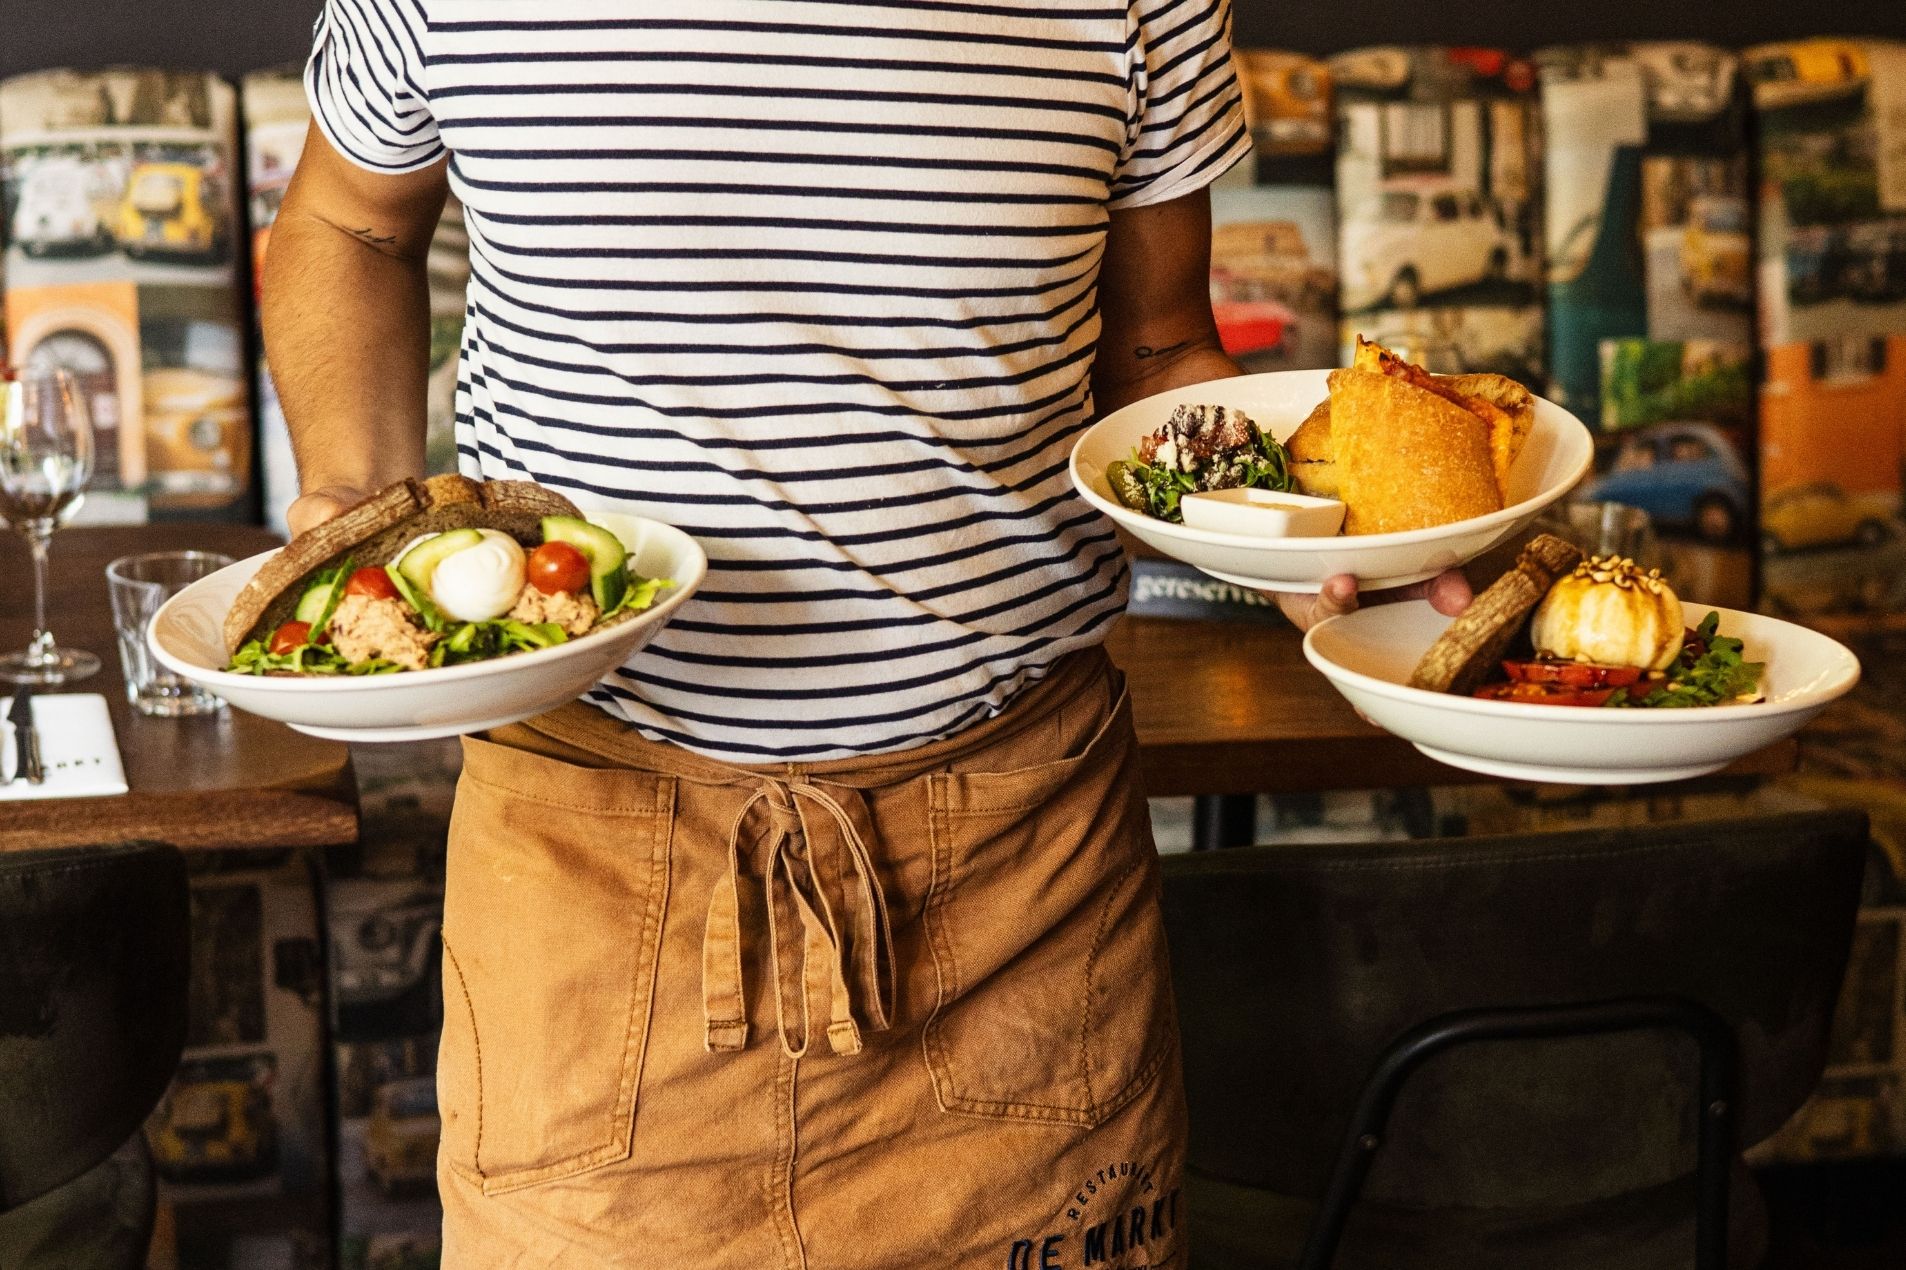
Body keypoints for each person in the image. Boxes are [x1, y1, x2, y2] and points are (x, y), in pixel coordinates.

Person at [264, 2, 1471, 1265]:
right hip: (591, 874)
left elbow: (1159, 345)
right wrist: (355, 498)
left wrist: (1311, 539)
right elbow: (348, 218)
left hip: (1018, 873)